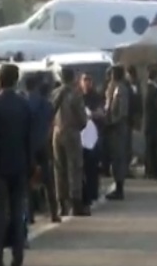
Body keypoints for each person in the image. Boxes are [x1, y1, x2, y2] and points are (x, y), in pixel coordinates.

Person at [0, 63, 33, 266]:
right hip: (20, 166)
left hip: (0, 168)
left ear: (0, 80)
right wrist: (30, 164)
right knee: (18, 213)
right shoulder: (24, 105)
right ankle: (18, 261)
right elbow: (29, 139)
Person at [52, 67, 90, 216]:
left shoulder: (55, 93)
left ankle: (62, 203)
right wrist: (81, 125)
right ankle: (76, 204)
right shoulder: (75, 94)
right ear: (72, 77)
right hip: (72, 132)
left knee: (59, 169)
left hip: (57, 132)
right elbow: (82, 118)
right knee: (74, 167)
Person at [26, 74, 61, 224]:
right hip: (44, 143)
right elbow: (52, 121)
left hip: (28, 145)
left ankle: (30, 215)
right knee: (48, 180)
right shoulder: (46, 103)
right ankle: (54, 212)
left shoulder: (24, 103)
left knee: (27, 181)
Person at [105, 65, 130, 200]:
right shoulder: (113, 87)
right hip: (113, 126)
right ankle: (117, 185)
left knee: (118, 157)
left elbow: (121, 111)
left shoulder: (121, 89)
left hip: (117, 127)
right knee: (115, 158)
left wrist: (111, 122)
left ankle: (119, 189)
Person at [80, 73, 105, 203]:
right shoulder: (78, 97)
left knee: (93, 166)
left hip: (94, 135)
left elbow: (101, 113)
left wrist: (91, 114)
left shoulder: (96, 97)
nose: (86, 83)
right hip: (80, 136)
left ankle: (93, 192)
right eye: (84, 80)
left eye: (89, 80)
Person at [143, 66, 157, 179]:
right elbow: (156, 108)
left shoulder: (147, 88)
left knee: (150, 147)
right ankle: (152, 170)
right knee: (152, 148)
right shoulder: (154, 90)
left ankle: (151, 169)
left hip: (148, 123)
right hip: (153, 124)